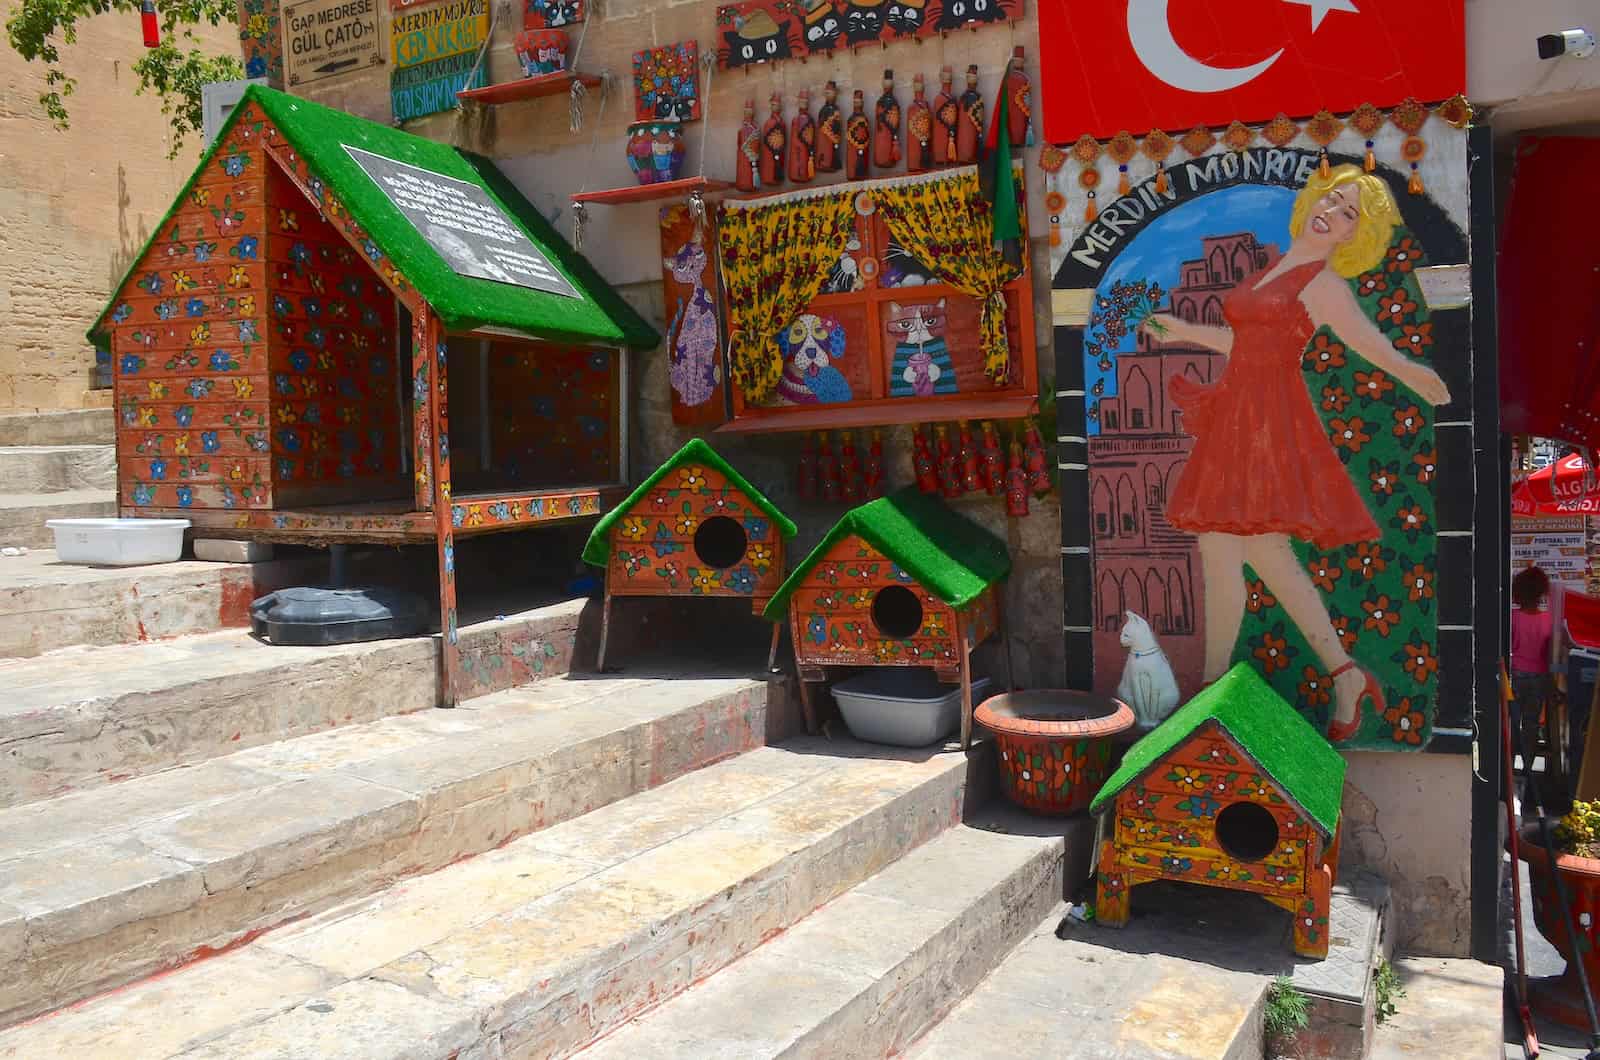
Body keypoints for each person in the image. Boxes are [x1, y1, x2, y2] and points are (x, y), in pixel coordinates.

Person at [1140, 165, 1451, 743]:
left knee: (1229, 546)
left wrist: (1412, 372)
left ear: (1353, 236)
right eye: (1332, 198)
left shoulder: (1324, 283)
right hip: (1238, 412)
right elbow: (1246, 341)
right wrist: (1183, 329)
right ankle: (1342, 674)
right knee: (1252, 549)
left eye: (1350, 212)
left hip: (1268, 417)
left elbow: (1365, 341)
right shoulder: (1274, 266)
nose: (1332, 210)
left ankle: (1212, 691)